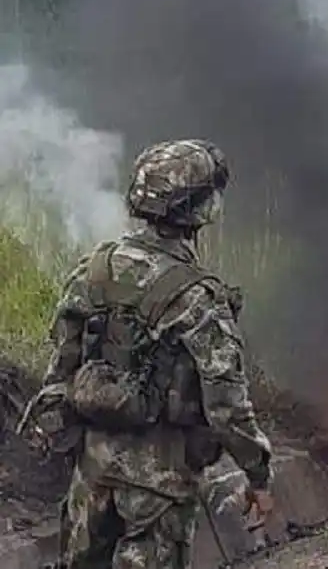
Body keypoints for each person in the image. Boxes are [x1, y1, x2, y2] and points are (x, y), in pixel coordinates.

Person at [26, 139, 274, 568]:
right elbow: (227, 409)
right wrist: (258, 476)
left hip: (93, 475)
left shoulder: (93, 271)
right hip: (160, 488)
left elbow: (60, 373)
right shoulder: (198, 298)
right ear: (201, 210)